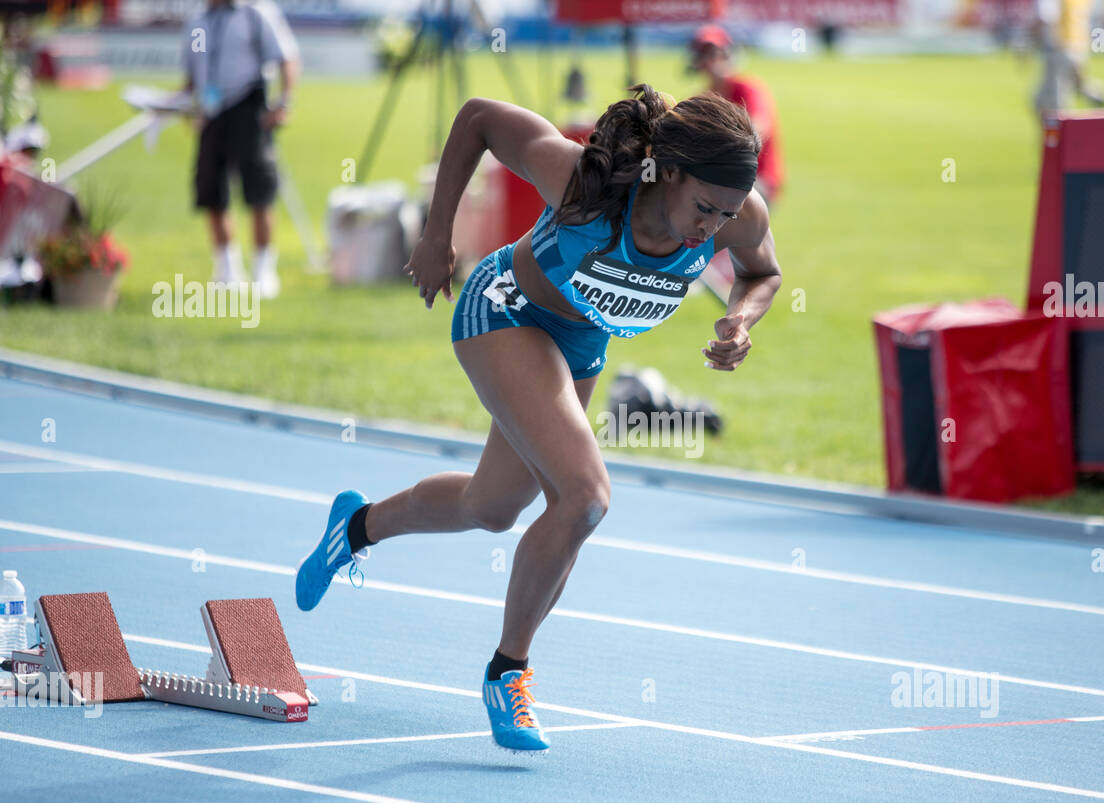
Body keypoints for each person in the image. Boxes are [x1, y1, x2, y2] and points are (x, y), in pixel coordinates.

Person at [294, 85, 782, 753]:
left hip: (578, 347)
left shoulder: (738, 214)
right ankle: (508, 673)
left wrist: (740, 319)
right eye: (703, 207)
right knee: (584, 498)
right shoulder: (586, 184)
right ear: (667, 173)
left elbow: (763, 273)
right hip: (504, 310)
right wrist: (437, 234)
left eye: (724, 216)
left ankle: (354, 527)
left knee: (490, 507)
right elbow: (478, 118)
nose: (710, 229)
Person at [180, 0, 298, 297]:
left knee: (259, 190)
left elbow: (287, 57)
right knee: (211, 190)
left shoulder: (256, 13)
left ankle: (263, 271)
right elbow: (192, 75)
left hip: (248, 107)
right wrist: (180, 104)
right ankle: (227, 269)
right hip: (211, 113)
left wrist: (283, 100)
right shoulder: (198, 21)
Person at [686, 25, 784, 298]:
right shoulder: (703, 98)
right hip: (720, 183)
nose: (711, 62)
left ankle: (711, 271)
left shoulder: (748, 89)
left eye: (716, 53)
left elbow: (757, 130)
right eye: (705, 55)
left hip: (757, 181)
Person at [1033, 0, 1104, 125]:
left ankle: (1063, 134)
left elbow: (1046, 18)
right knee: (1077, 85)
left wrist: (1028, 43)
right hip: (1078, 47)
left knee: (1055, 101)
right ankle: (1097, 95)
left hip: (1059, 48)